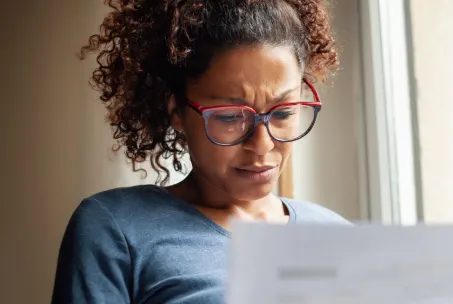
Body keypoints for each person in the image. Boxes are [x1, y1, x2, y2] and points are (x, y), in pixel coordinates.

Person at [52, 0, 348, 303]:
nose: (262, 144)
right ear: (177, 111)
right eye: (230, 116)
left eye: (283, 113)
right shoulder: (117, 230)